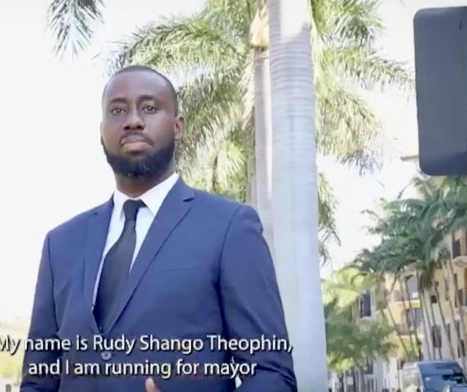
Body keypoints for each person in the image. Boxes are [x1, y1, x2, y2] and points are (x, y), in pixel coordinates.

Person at [20, 65, 296, 392]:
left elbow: (271, 374)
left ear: (177, 127)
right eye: (117, 110)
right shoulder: (61, 244)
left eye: (149, 108)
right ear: (101, 131)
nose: (133, 120)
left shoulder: (229, 228)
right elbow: (38, 381)